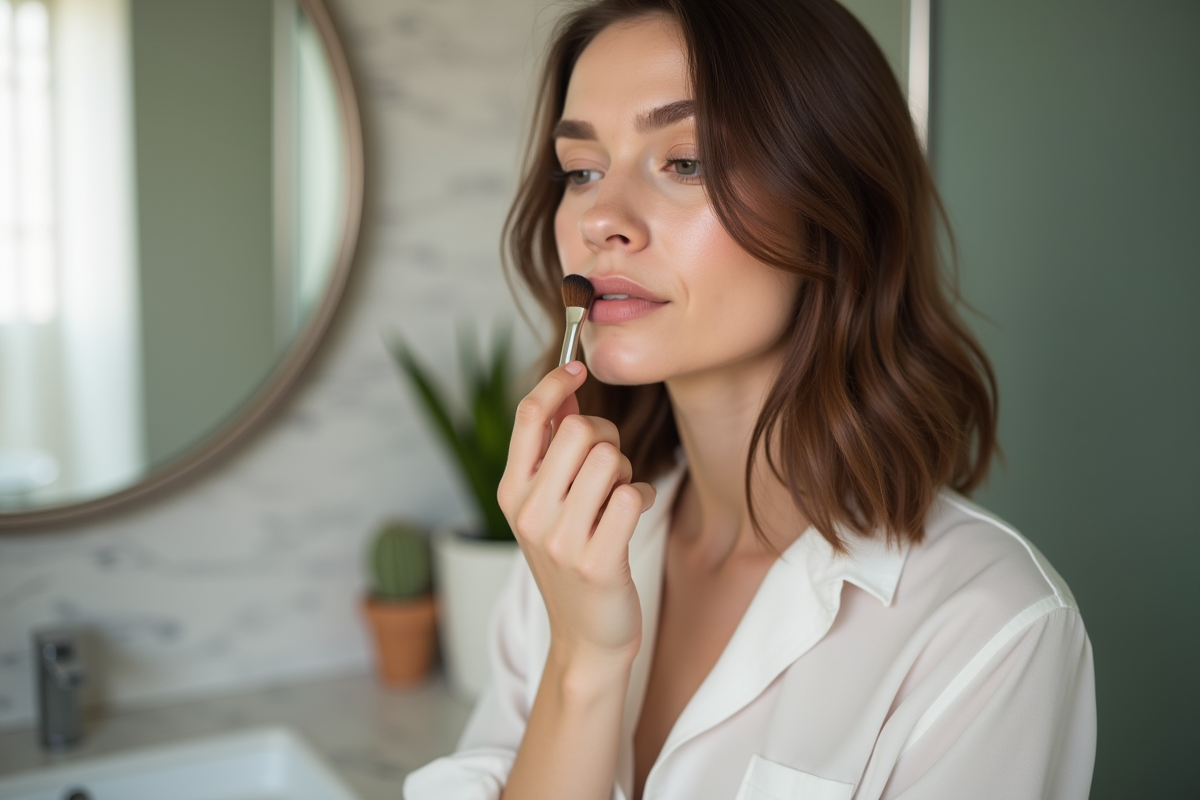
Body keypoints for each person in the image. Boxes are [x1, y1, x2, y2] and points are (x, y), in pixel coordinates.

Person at [404, 0, 1096, 797]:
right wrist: (582, 665)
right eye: (581, 170)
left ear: (832, 207)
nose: (601, 220)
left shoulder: (991, 629)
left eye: (686, 162)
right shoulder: (570, 554)